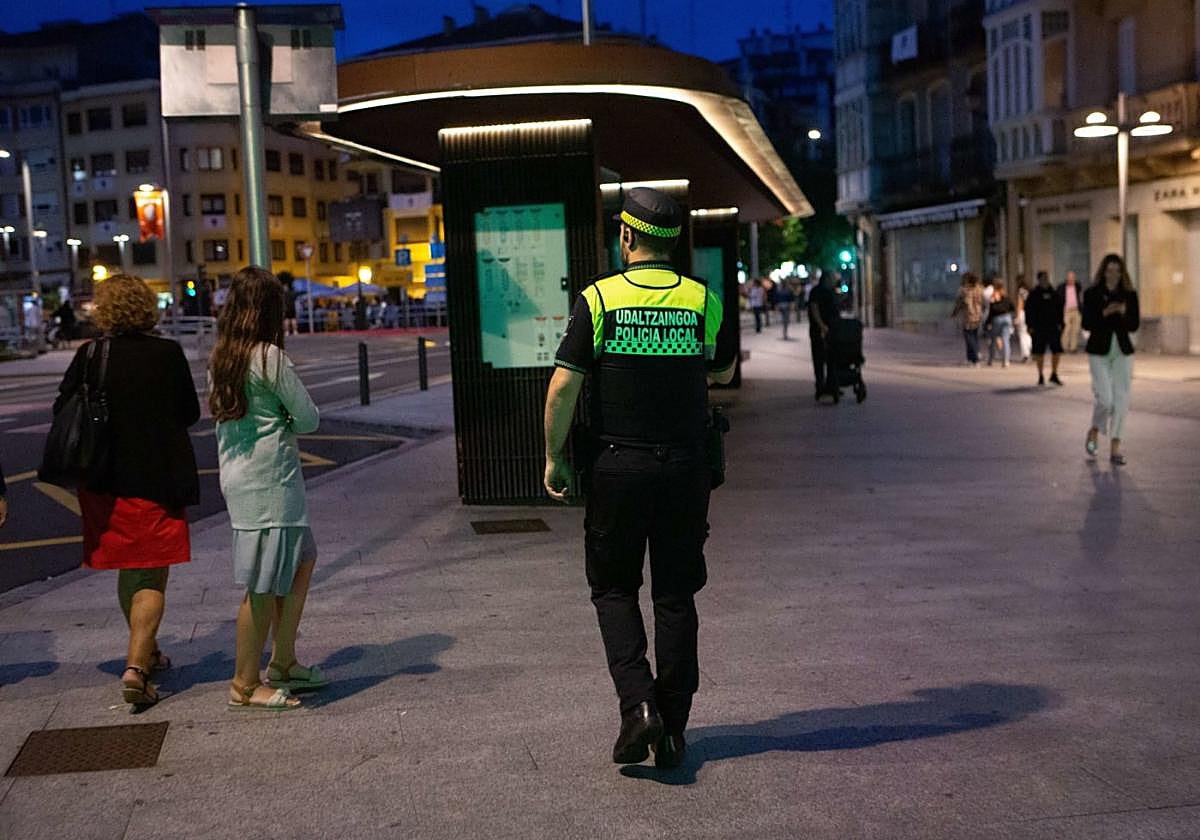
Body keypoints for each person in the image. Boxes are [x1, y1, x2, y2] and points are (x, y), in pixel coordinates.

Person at [543, 187, 736, 770]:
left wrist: (555, 456)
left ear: (626, 237)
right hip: (685, 467)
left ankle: (638, 708)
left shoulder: (599, 299)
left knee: (613, 588)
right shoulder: (704, 300)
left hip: (617, 467)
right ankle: (673, 729)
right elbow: (723, 368)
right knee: (676, 596)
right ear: (674, 245)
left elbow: (564, 384)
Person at [51, 273, 200, 708]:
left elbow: (64, 409)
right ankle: (137, 666)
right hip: (156, 479)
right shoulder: (167, 354)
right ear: (147, 307)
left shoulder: (91, 354)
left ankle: (147, 649)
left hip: (102, 481)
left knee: (127, 568)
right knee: (152, 571)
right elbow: (189, 412)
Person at [210, 266, 326, 712]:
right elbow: (310, 417)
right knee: (260, 587)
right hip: (270, 484)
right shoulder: (268, 358)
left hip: (241, 479)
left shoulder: (222, 358)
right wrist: (286, 421)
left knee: (303, 559)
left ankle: (285, 660)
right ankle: (245, 682)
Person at [1083, 254, 1140, 465]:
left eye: (1117, 270)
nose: (1113, 274)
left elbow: (1134, 325)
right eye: (1109, 270)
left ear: (1122, 272)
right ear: (1103, 271)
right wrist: (1105, 313)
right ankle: (1094, 430)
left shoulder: (1130, 295)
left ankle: (1116, 445)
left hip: (1123, 351)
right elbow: (1086, 324)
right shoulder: (1091, 294)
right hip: (1099, 350)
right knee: (1105, 400)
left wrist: (1124, 313)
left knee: (1121, 399)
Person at [1025, 271, 1064, 386]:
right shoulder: (1034, 294)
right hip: (1038, 327)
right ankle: (1040, 374)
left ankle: (1054, 373)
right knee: (1039, 351)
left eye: (1047, 278)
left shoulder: (1054, 293)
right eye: (1043, 278)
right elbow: (1029, 311)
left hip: (1053, 326)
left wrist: (1061, 323)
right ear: (1039, 279)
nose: (1045, 280)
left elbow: (1059, 308)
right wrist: (1030, 325)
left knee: (1057, 350)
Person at [808, 271, 841, 398]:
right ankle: (820, 385)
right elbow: (814, 308)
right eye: (833, 278)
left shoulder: (831, 291)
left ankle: (831, 385)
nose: (835, 280)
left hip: (832, 330)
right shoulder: (816, 291)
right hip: (819, 330)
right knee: (819, 358)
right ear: (826, 279)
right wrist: (821, 326)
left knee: (831, 358)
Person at [950, 273, 984, 366]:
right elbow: (983, 302)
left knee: (969, 337)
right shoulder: (980, 289)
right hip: (978, 316)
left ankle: (976, 356)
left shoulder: (963, 290)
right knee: (974, 336)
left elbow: (959, 303)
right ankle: (970, 359)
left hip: (968, 316)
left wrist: (954, 313)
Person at [985, 285, 1015, 367]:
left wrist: (987, 323)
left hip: (997, 319)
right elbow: (1013, 308)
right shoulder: (1007, 299)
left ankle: (991, 359)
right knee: (1005, 340)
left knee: (992, 339)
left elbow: (991, 313)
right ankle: (1006, 360)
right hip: (1007, 318)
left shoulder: (994, 300)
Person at [1060, 270, 1083, 353]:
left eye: (1072, 278)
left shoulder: (1078, 286)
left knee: (1075, 330)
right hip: (1066, 310)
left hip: (1076, 310)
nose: (1071, 279)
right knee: (1066, 329)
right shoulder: (1062, 287)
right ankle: (1064, 347)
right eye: (1069, 278)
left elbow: (1080, 297)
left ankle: (1073, 348)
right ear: (1067, 278)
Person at [1013, 275, 1033, 363]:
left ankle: (1026, 355)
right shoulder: (1030, 290)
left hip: (1023, 313)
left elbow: (1020, 304)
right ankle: (1031, 351)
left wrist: (1017, 317)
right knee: (1028, 334)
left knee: (1022, 334)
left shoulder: (1020, 291)